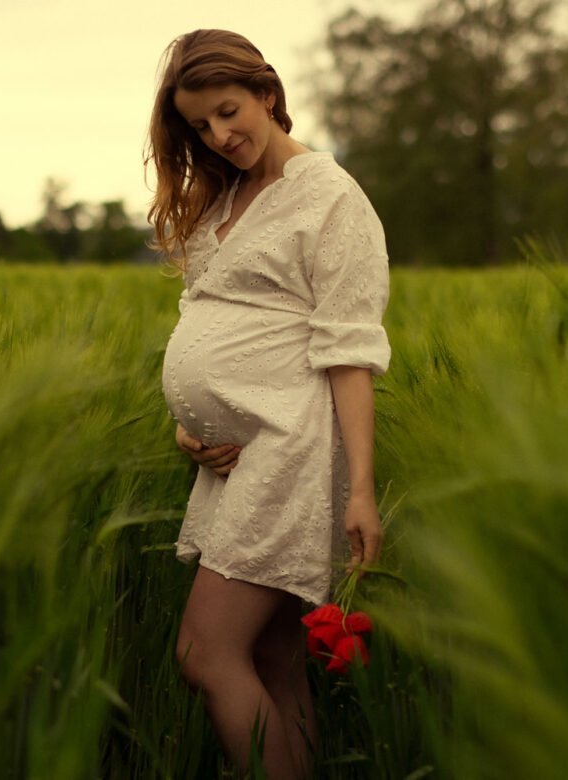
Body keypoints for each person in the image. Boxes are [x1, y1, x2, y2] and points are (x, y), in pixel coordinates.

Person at [145, 28, 391, 779]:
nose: (220, 136)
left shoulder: (330, 197)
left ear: (267, 93)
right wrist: (193, 429)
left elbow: (349, 351)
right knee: (275, 659)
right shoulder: (227, 196)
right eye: (199, 126)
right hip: (232, 459)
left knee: (205, 651)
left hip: (291, 447)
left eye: (228, 112)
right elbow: (214, 319)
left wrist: (360, 489)